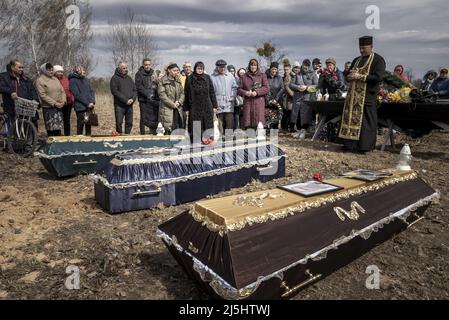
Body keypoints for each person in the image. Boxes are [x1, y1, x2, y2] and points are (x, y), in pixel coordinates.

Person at [338, 36, 386, 153]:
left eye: (364, 48)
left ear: (371, 47)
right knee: (349, 119)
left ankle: (364, 146)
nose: (362, 51)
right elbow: (348, 75)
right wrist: (349, 77)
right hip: (352, 96)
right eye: (360, 48)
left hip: (368, 95)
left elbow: (378, 77)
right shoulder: (356, 60)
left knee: (366, 121)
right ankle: (349, 144)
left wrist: (360, 77)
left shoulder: (378, 60)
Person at [0, 60, 39, 131]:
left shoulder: (26, 79)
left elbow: (33, 91)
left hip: (26, 107)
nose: (21, 69)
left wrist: (35, 99)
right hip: (11, 107)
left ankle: (30, 141)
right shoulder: (4, 76)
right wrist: (11, 92)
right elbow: (1, 87)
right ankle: (11, 140)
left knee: (27, 129)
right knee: (13, 129)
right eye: (19, 67)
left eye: (22, 67)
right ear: (12, 67)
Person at [184, 61, 218, 142]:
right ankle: (196, 141)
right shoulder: (189, 78)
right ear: (195, 69)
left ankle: (208, 140)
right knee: (196, 124)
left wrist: (214, 106)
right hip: (195, 105)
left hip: (207, 105)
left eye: (201, 68)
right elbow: (186, 93)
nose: (200, 70)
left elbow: (212, 92)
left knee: (208, 123)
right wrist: (186, 108)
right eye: (198, 68)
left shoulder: (207, 77)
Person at [289, 59, 318, 139]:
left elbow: (316, 87)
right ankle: (298, 130)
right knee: (297, 114)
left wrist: (307, 88)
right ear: (302, 65)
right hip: (297, 98)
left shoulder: (313, 74)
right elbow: (291, 85)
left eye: (307, 65)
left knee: (305, 115)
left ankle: (304, 131)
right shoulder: (297, 74)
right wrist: (298, 87)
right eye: (304, 65)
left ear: (309, 66)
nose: (305, 67)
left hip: (307, 99)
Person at [35, 63, 67, 137]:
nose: (51, 72)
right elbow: (43, 95)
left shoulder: (55, 79)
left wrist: (63, 101)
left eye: (52, 70)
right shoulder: (40, 80)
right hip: (49, 108)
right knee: (51, 129)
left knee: (58, 129)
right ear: (44, 70)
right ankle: (51, 145)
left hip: (59, 107)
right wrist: (55, 103)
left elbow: (62, 91)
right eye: (49, 70)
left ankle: (58, 145)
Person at [238, 58, 270, 130]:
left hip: (258, 102)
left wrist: (257, 92)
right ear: (249, 66)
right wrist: (245, 92)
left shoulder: (262, 75)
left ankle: (259, 136)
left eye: (255, 65)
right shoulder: (244, 77)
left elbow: (266, 88)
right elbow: (239, 89)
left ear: (257, 66)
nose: (253, 67)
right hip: (248, 102)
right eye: (252, 65)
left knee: (259, 123)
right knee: (248, 122)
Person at [210, 59, 238, 136]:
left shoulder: (230, 76)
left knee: (230, 122)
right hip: (218, 103)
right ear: (217, 67)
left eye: (223, 67)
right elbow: (210, 91)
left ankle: (228, 138)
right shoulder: (212, 77)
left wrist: (233, 96)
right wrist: (213, 104)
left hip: (229, 103)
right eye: (220, 67)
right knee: (219, 123)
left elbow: (234, 87)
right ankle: (220, 138)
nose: (222, 68)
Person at [158, 63, 185, 134]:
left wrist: (179, 102)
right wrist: (173, 104)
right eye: (174, 70)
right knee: (168, 128)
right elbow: (162, 95)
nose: (176, 72)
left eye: (177, 70)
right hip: (167, 109)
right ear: (169, 70)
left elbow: (182, 93)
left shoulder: (178, 81)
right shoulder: (162, 81)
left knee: (177, 128)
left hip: (178, 109)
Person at [110, 62, 137, 135]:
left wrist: (132, 99)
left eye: (126, 68)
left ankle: (127, 136)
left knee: (129, 122)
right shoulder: (114, 78)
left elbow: (135, 90)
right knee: (119, 122)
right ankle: (119, 137)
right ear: (119, 68)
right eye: (123, 68)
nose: (125, 69)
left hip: (129, 105)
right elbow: (115, 91)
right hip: (119, 105)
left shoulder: (129, 78)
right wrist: (125, 100)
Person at [135, 58, 160, 135]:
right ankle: (142, 134)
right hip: (143, 100)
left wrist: (154, 96)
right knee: (143, 117)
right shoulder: (138, 74)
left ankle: (152, 132)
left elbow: (156, 84)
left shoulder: (153, 73)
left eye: (149, 64)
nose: (147, 66)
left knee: (153, 117)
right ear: (143, 65)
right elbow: (139, 87)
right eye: (146, 65)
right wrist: (148, 94)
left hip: (153, 100)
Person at [69, 66, 95, 136]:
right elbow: (76, 94)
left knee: (88, 124)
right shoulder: (72, 81)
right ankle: (79, 141)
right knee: (80, 124)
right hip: (80, 107)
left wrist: (92, 101)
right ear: (78, 71)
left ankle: (88, 140)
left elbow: (91, 91)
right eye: (83, 70)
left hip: (89, 106)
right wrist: (87, 103)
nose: (84, 72)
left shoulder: (86, 79)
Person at [53, 65, 74, 136]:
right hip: (58, 103)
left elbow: (71, 90)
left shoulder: (66, 79)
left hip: (68, 103)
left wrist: (72, 99)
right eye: (59, 72)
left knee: (66, 120)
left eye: (62, 72)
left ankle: (67, 135)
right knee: (58, 120)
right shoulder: (53, 80)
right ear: (55, 72)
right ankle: (58, 135)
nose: (61, 73)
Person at [277, 63, 295, 132]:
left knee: (289, 113)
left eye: (287, 69)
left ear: (290, 69)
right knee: (285, 113)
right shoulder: (284, 77)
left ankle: (288, 128)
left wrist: (292, 94)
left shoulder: (292, 76)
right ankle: (284, 128)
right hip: (285, 98)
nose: (286, 71)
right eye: (285, 70)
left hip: (290, 98)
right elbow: (284, 87)